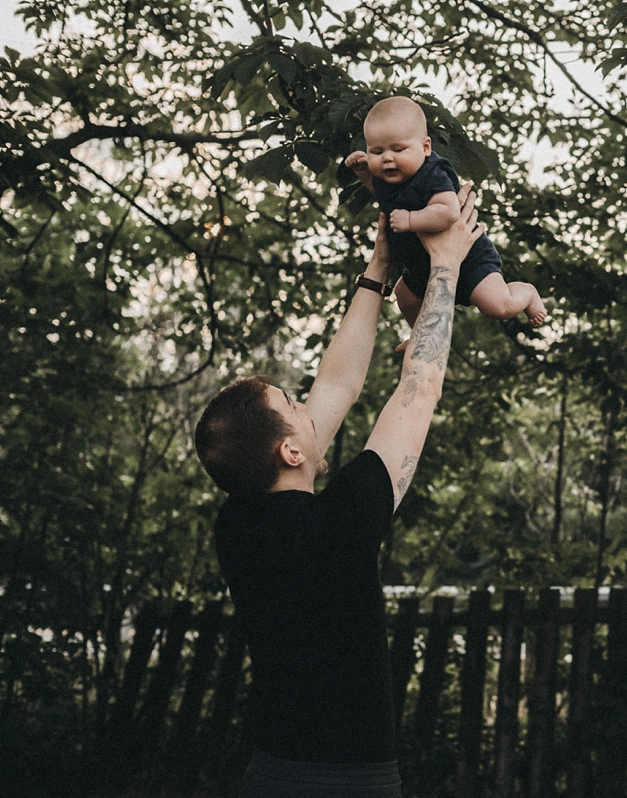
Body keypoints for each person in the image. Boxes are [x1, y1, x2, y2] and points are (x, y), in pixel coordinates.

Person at [193, 185, 482, 797]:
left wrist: (378, 270)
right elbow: (418, 388)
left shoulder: (238, 524)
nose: (308, 404)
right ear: (291, 452)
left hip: (270, 771)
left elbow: (340, 380)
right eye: (293, 406)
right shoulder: (339, 525)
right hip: (349, 782)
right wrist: (449, 266)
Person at [344, 96, 546, 338]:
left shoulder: (432, 174)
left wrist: (410, 220)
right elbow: (383, 195)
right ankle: (421, 339)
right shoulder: (391, 177)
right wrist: (365, 174)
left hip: (468, 261)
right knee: (405, 299)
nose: (387, 158)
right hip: (422, 267)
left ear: (426, 147)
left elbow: (448, 212)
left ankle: (526, 292)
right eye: (376, 151)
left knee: (497, 306)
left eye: (398, 149)